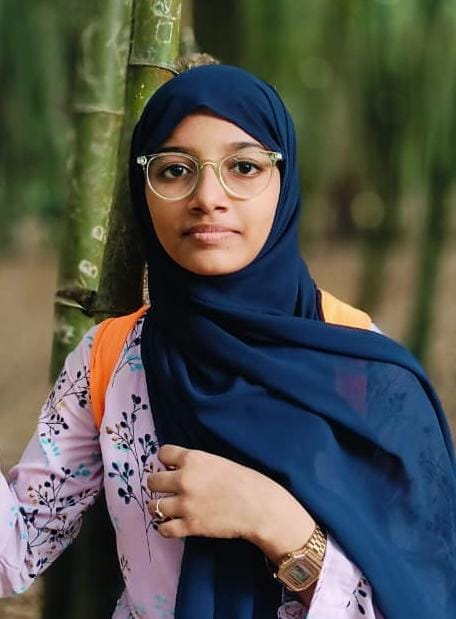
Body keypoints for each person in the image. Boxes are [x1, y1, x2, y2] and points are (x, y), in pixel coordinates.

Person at [1, 64, 455, 619]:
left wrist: (278, 525)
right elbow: (13, 550)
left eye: (243, 167)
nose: (207, 197)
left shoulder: (365, 368)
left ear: (284, 182)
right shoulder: (111, 359)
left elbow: (426, 596)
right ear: (143, 189)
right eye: (175, 170)